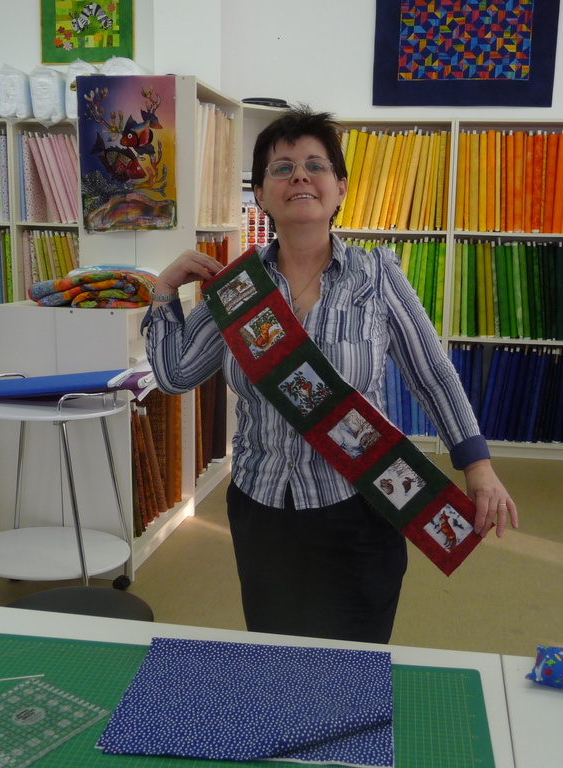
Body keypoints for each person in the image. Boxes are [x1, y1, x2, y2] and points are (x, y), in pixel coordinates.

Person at [144, 105, 517, 644]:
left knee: (353, 660)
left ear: (339, 188)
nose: (299, 176)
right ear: (261, 194)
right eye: (282, 168)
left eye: (315, 165)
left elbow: (433, 374)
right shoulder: (237, 289)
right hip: (262, 507)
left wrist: (477, 467)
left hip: (359, 506)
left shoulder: (377, 275)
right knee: (276, 655)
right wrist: (163, 293)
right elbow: (175, 374)